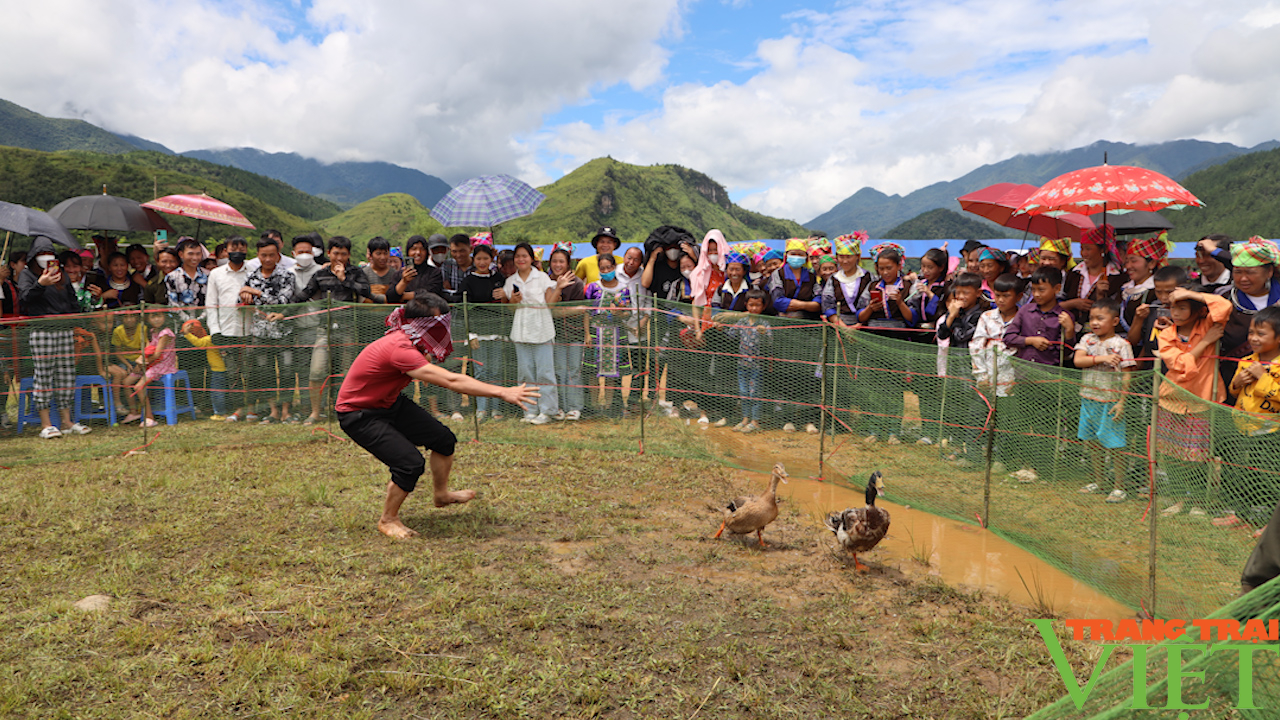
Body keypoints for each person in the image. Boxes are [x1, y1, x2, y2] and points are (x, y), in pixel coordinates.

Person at [336, 295, 539, 539]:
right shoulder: (399, 348)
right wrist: (503, 391)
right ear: (422, 324)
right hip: (359, 413)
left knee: (443, 440)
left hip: (388, 403)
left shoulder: (409, 339)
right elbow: (451, 380)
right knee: (409, 464)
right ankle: (388, 519)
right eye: (438, 323)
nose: (444, 328)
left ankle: (441, 495)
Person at [1004, 265, 1076, 475]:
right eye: (1033, 290)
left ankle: (1043, 468)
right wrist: (1030, 340)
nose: (1036, 294)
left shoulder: (1064, 315)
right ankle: (1025, 464)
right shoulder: (1025, 311)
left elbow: (1069, 352)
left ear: (1056, 288)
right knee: (1024, 423)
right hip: (1024, 377)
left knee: (1046, 424)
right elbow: (1008, 337)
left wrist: (1069, 329)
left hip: (1049, 380)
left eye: (1041, 290)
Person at [18, 238, 91, 438]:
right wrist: (40, 284)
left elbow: (71, 300)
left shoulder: (61, 274)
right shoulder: (27, 274)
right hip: (42, 331)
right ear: (33, 256)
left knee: (66, 375)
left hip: (64, 330)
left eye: (49, 254)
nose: (46, 258)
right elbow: (24, 299)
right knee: (43, 376)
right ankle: (46, 424)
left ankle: (67, 422)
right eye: (41, 254)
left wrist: (76, 320)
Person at [1154, 285, 1231, 470]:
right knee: (1170, 451)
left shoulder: (1208, 325)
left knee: (1198, 453)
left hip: (1201, 399)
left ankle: (1193, 497)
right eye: (1173, 307)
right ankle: (1176, 493)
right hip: (1172, 398)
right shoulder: (1166, 334)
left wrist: (1191, 294)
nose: (1176, 313)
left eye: (1182, 307)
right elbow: (1179, 364)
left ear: (1199, 311)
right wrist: (1206, 342)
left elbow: (1225, 306)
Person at [1073, 297, 1137, 502]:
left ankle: (1119, 487)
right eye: (1092, 318)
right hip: (1088, 398)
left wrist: (1121, 402)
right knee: (1093, 443)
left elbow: (1128, 374)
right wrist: (1102, 359)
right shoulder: (1087, 340)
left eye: (1101, 318)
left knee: (1115, 445)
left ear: (1115, 321)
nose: (1095, 323)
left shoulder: (1122, 344)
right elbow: (1078, 360)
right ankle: (1099, 482)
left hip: (1110, 401)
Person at [1224, 306, 1280, 524]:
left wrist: (1262, 377)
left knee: (1268, 475)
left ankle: (1270, 523)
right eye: (1251, 333)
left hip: (1271, 431)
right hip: (1243, 428)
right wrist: (1237, 383)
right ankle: (1240, 514)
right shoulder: (1247, 360)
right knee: (1241, 472)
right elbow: (1235, 390)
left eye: (1261, 333)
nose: (1254, 338)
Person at [504, 242, 570, 423]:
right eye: (518, 256)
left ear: (532, 258)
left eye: (525, 256)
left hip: (542, 328)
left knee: (544, 372)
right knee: (525, 373)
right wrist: (513, 301)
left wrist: (559, 288)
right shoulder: (510, 281)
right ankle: (529, 410)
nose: (521, 259)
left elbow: (550, 304)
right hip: (521, 330)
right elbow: (511, 310)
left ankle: (548, 410)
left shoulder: (541, 278)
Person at [240, 238, 297, 424]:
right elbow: (240, 302)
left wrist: (257, 293)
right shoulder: (251, 277)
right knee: (265, 372)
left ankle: (286, 411)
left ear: (278, 254)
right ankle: (273, 411)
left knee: (287, 371)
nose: (267, 259)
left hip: (283, 332)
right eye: (263, 255)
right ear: (258, 255)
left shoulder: (287, 275)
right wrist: (245, 296)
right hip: (260, 332)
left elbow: (283, 302)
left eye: (272, 255)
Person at [935, 272, 986, 454]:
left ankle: (972, 447)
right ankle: (956, 444)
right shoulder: (957, 313)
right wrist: (951, 316)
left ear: (978, 293)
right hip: (954, 367)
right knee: (954, 406)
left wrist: (953, 319)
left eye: (966, 292)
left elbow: (961, 335)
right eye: (958, 293)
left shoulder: (979, 315)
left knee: (971, 408)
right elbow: (941, 334)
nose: (961, 297)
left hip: (971, 369)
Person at [584, 252, 638, 417]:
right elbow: (586, 312)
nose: (606, 270)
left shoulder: (623, 289)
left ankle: (608, 407)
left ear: (615, 267)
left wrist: (619, 314)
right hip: (595, 332)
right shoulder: (592, 287)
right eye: (603, 268)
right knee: (593, 372)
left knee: (612, 372)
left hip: (616, 333)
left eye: (609, 267)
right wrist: (587, 334)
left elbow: (628, 314)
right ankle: (593, 406)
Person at [459, 244, 508, 422]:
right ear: (473, 259)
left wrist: (504, 294)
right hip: (477, 334)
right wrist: (470, 334)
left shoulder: (498, 278)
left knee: (495, 371)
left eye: (485, 259)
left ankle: (496, 409)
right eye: (478, 259)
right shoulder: (467, 281)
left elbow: (507, 303)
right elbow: (463, 309)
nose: (482, 262)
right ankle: (481, 409)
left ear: (491, 260)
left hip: (496, 332)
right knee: (480, 372)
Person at [206, 236, 250, 422]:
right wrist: (215, 331)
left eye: (241, 247)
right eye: (233, 247)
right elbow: (211, 304)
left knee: (251, 371)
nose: (237, 250)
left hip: (250, 330)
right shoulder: (216, 274)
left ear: (247, 250)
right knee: (233, 373)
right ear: (226, 250)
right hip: (226, 331)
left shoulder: (253, 270)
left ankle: (254, 408)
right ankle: (238, 408)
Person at [548, 244, 588, 420]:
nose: (558, 265)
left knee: (573, 370)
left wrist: (558, 311)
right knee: (558, 370)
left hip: (574, 333)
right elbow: (550, 309)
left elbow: (582, 309)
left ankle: (575, 407)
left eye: (561, 261)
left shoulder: (577, 282)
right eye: (554, 261)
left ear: (567, 263)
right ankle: (560, 406)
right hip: (552, 333)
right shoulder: (547, 281)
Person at [725, 288, 773, 433]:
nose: (754, 308)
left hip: (757, 366)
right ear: (746, 305)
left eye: (757, 305)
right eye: (751, 305)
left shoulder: (764, 323)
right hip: (742, 364)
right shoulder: (742, 321)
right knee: (743, 391)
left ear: (763, 306)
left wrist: (763, 333)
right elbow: (731, 335)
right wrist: (721, 328)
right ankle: (745, 418)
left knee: (755, 392)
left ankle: (755, 421)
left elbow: (770, 342)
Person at [124, 307, 178, 428]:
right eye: (153, 316)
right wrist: (140, 364)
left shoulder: (166, 333)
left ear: (164, 317)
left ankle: (149, 417)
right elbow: (148, 349)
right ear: (148, 319)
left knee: (138, 386)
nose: (157, 319)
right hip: (150, 363)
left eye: (159, 315)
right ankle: (134, 412)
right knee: (127, 382)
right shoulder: (153, 331)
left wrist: (142, 364)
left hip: (163, 365)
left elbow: (158, 354)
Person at [1063, 224, 1127, 325]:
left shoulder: (1118, 278)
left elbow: (1117, 310)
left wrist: (1100, 296)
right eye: (1082, 248)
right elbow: (1058, 304)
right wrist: (1073, 304)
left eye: (1088, 249)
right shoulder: (1074, 273)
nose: (1083, 253)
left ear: (1103, 250)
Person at [165, 237, 209, 323]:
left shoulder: (208, 275)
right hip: (181, 326)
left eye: (198, 254)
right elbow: (172, 304)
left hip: (205, 325)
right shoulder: (172, 277)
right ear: (181, 254)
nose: (195, 258)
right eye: (190, 254)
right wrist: (189, 322)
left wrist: (199, 320)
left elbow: (211, 301)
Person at [392, 235, 445, 302]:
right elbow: (391, 297)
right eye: (414, 249)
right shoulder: (398, 274)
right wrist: (404, 282)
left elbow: (431, 294)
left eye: (422, 249)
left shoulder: (434, 273)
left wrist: (404, 296)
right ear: (408, 252)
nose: (418, 252)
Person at [362, 236, 399, 304]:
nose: (383, 257)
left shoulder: (395, 274)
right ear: (370, 255)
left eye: (385, 253)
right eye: (378, 253)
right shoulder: (363, 273)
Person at [439, 234, 473, 303]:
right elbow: (445, 290)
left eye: (462, 251)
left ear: (470, 249)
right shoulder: (447, 265)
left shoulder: (479, 266)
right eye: (454, 251)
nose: (458, 255)